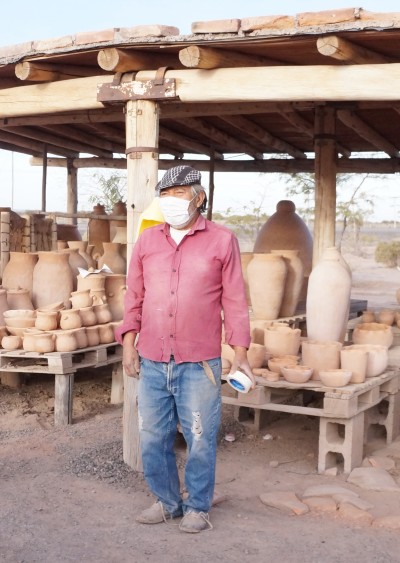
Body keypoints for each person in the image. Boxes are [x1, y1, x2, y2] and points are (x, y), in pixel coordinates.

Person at [116, 164, 252, 533]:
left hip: (199, 363)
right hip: (153, 359)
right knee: (153, 436)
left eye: (179, 194)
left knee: (200, 437)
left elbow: (235, 301)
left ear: (199, 197)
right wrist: (128, 344)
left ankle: (197, 507)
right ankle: (166, 501)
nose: (171, 201)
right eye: (165, 195)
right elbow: (134, 296)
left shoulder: (222, 241)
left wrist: (240, 354)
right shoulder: (147, 241)